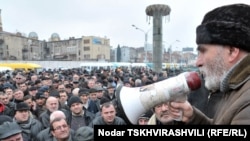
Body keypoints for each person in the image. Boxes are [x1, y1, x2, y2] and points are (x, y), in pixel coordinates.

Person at [169, 3, 250, 124]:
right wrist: (194, 118)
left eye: (203, 51)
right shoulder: (235, 87)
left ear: (232, 51)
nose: (197, 62)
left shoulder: (246, 101)